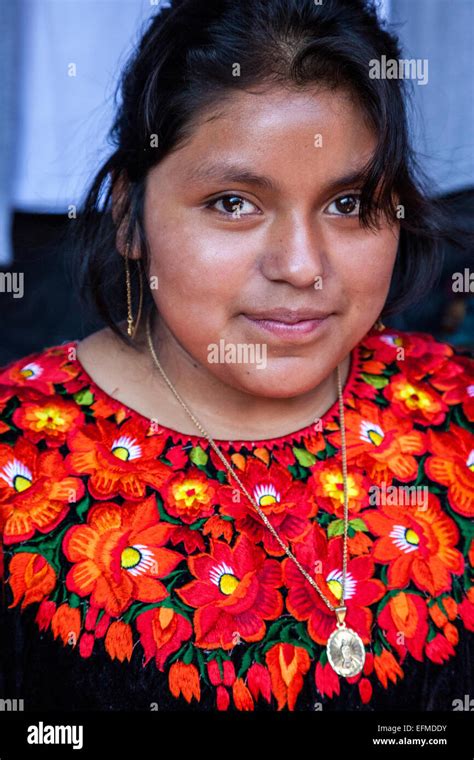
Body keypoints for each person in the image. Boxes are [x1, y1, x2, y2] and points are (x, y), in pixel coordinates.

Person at [0, 0, 473, 712]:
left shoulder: (458, 418)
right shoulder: (16, 462)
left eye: (348, 204)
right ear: (130, 216)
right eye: (232, 203)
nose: (301, 266)